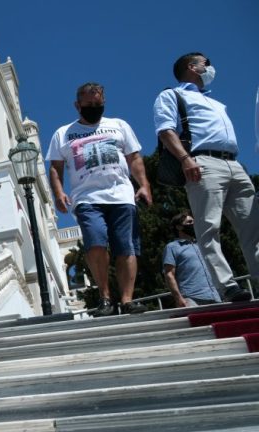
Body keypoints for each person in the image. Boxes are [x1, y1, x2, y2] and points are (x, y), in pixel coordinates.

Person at [154, 53, 258, 302]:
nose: (210, 67)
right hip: (202, 163)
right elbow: (165, 130)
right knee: (208, 227)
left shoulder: (216, 103)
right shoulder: (172, 95)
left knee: (253, 228)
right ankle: (228, 286)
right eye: (205, 62)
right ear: (192, 67)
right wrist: (185, 159)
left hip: (234, 163)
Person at [48, 82, 152, 316]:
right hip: (86, 198)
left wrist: (144, 185)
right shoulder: (63, 133)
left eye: (98, 104)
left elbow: (134, 158)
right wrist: (58, 192)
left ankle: (127, 299)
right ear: (77, 105)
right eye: (89, 104)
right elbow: (55, 167)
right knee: (95, 244)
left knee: (126, 247)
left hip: (121, 194)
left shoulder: (119, 126)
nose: (94, 107)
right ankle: (105, 298)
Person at [163, 211, 222, 308]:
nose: (193, 224)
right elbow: (169, 274)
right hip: (191, 298)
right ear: (179, 227)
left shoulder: (202, 244)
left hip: (215, 296)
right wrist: (178, 298)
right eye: (189, 222)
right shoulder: (172, 247)